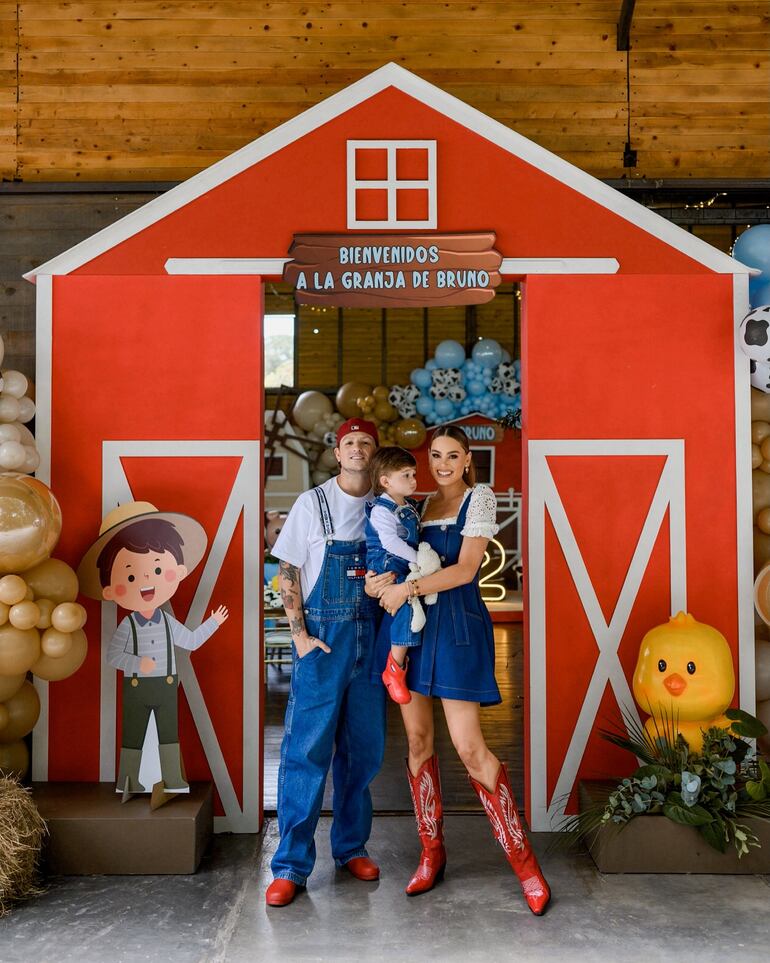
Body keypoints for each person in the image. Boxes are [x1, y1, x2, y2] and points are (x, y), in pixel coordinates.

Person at [375, 425, 551, 915]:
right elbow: (400, 560)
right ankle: (431, 855)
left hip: (457, 629)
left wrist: (406, 590)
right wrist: (381, 583)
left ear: (468, 458)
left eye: (453, 455)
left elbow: (466, 570)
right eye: (435, 455)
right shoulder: (418, 503)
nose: (443, 464)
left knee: (471, 748)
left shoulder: (481, 498)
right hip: (416, 630)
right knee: (416, 743)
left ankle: (525, 864)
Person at [265, 417, 392, 908]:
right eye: (349, 443)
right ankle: (291, 867)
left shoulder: (389, 508)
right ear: (337, 454)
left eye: (365, 442)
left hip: (372, 647)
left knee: (363, 754)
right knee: (306, 753)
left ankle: (350, 848)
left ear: (374, 453)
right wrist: (297, 635)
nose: (357, 448)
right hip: (322, 644)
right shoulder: (311, 503)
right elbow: (288, 569)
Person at [77, 502, 229, 796]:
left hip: (166, 686)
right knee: (133, 735)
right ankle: (129, 782)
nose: (146, 581)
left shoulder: (168, 623)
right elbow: (113, 656)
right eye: (131, 576)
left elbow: (191, 641)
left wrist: (213, 623)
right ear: (110, 590)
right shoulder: (128, 626)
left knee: (168, 735)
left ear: (179, 570)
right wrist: (136, 662)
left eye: (158, 569)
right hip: (136, 686)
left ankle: (173, 781)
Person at [364, 445, 436, 705]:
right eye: (405, 475)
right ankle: (394, 666)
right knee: (406, 604)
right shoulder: (382, 510)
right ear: (385, 481)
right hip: (388, 565)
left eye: (414, 474)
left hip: (405, 564)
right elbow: (391, 544)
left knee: (414, 599)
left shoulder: (407, 506)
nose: (413, 480)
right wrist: (419, 560)